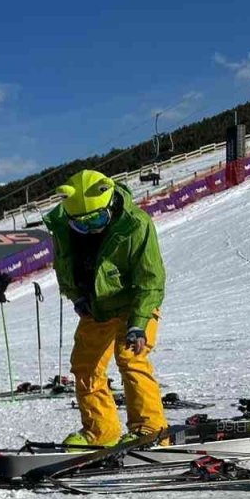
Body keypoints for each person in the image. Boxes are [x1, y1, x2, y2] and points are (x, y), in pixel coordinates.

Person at [43, 169, 167, 448]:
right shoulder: (64, 228)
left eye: (98, 219)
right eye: (82, 225)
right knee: (85, 366)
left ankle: (150, 430)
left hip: (136, 303)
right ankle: (101, 432)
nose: (92, 229)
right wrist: (76, 297)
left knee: (130, 357)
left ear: (109, 204)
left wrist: (139, 323)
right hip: (97, 307)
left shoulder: (135, 224)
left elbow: (151, 278)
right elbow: (64, 265)